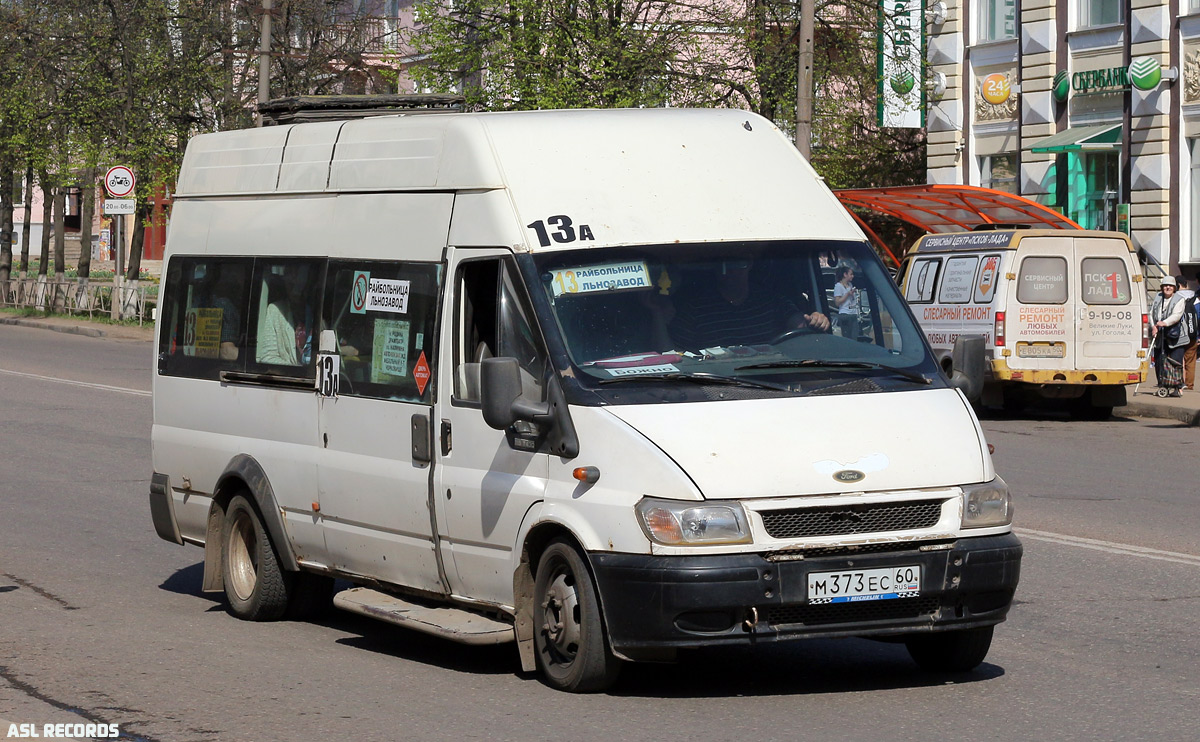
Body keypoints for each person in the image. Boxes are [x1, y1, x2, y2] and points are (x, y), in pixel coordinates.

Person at [648, 257, 830, 350]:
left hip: (775, 378)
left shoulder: (771, 299)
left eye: (737, 264)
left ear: (749, 264)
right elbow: (675, 353)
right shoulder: (695, 307)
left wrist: (816, 320)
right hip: (713, 383)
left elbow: (800, 324)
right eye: (723, 265)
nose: (729, 272)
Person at [1150, 276, 1190, 397]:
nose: (1168, 288)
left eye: (1170, 286)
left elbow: (1176, 315)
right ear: (1162, 287)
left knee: (1175, 362)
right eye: (1165, 285)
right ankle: (1162, 385)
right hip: (1161, 334)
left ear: (1174, 288)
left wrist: (1165, 323)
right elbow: (1152, 313)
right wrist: (1154, 326)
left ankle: (1177, 387)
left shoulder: (1180, 299)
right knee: (1159, 360)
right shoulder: (1158, 297)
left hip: (1176, 335)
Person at [1180, 275, 1199, 391]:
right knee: (1190, 361)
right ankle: (1189, 385)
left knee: (1178, 359)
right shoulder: (1195, 298)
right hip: (1193, 334)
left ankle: (1179, 382)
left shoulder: (1176, 297)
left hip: (1179, 334)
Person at [832, 265, 860, 340]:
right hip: (845, 314)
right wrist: (847, 294)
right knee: (848, 337)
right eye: (851, 274)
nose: (852, 276)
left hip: (853, 313)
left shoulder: (850, 285)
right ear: (845, 274)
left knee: (855, 337)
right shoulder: (838, 286)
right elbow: (837, 302)